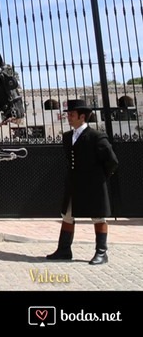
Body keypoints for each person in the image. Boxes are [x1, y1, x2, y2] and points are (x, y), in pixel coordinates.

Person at [46, 98, 119, 265]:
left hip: (93, 185)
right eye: (68, 114)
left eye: (72, 114)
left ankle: (101, 252)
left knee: (98, 217)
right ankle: (64, 250)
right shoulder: (67, 137)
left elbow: (112, 161)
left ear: (82, 117)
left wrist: (100, 178)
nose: (69, 117)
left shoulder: (96, 136)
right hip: (73, 184)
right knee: (68, 215)